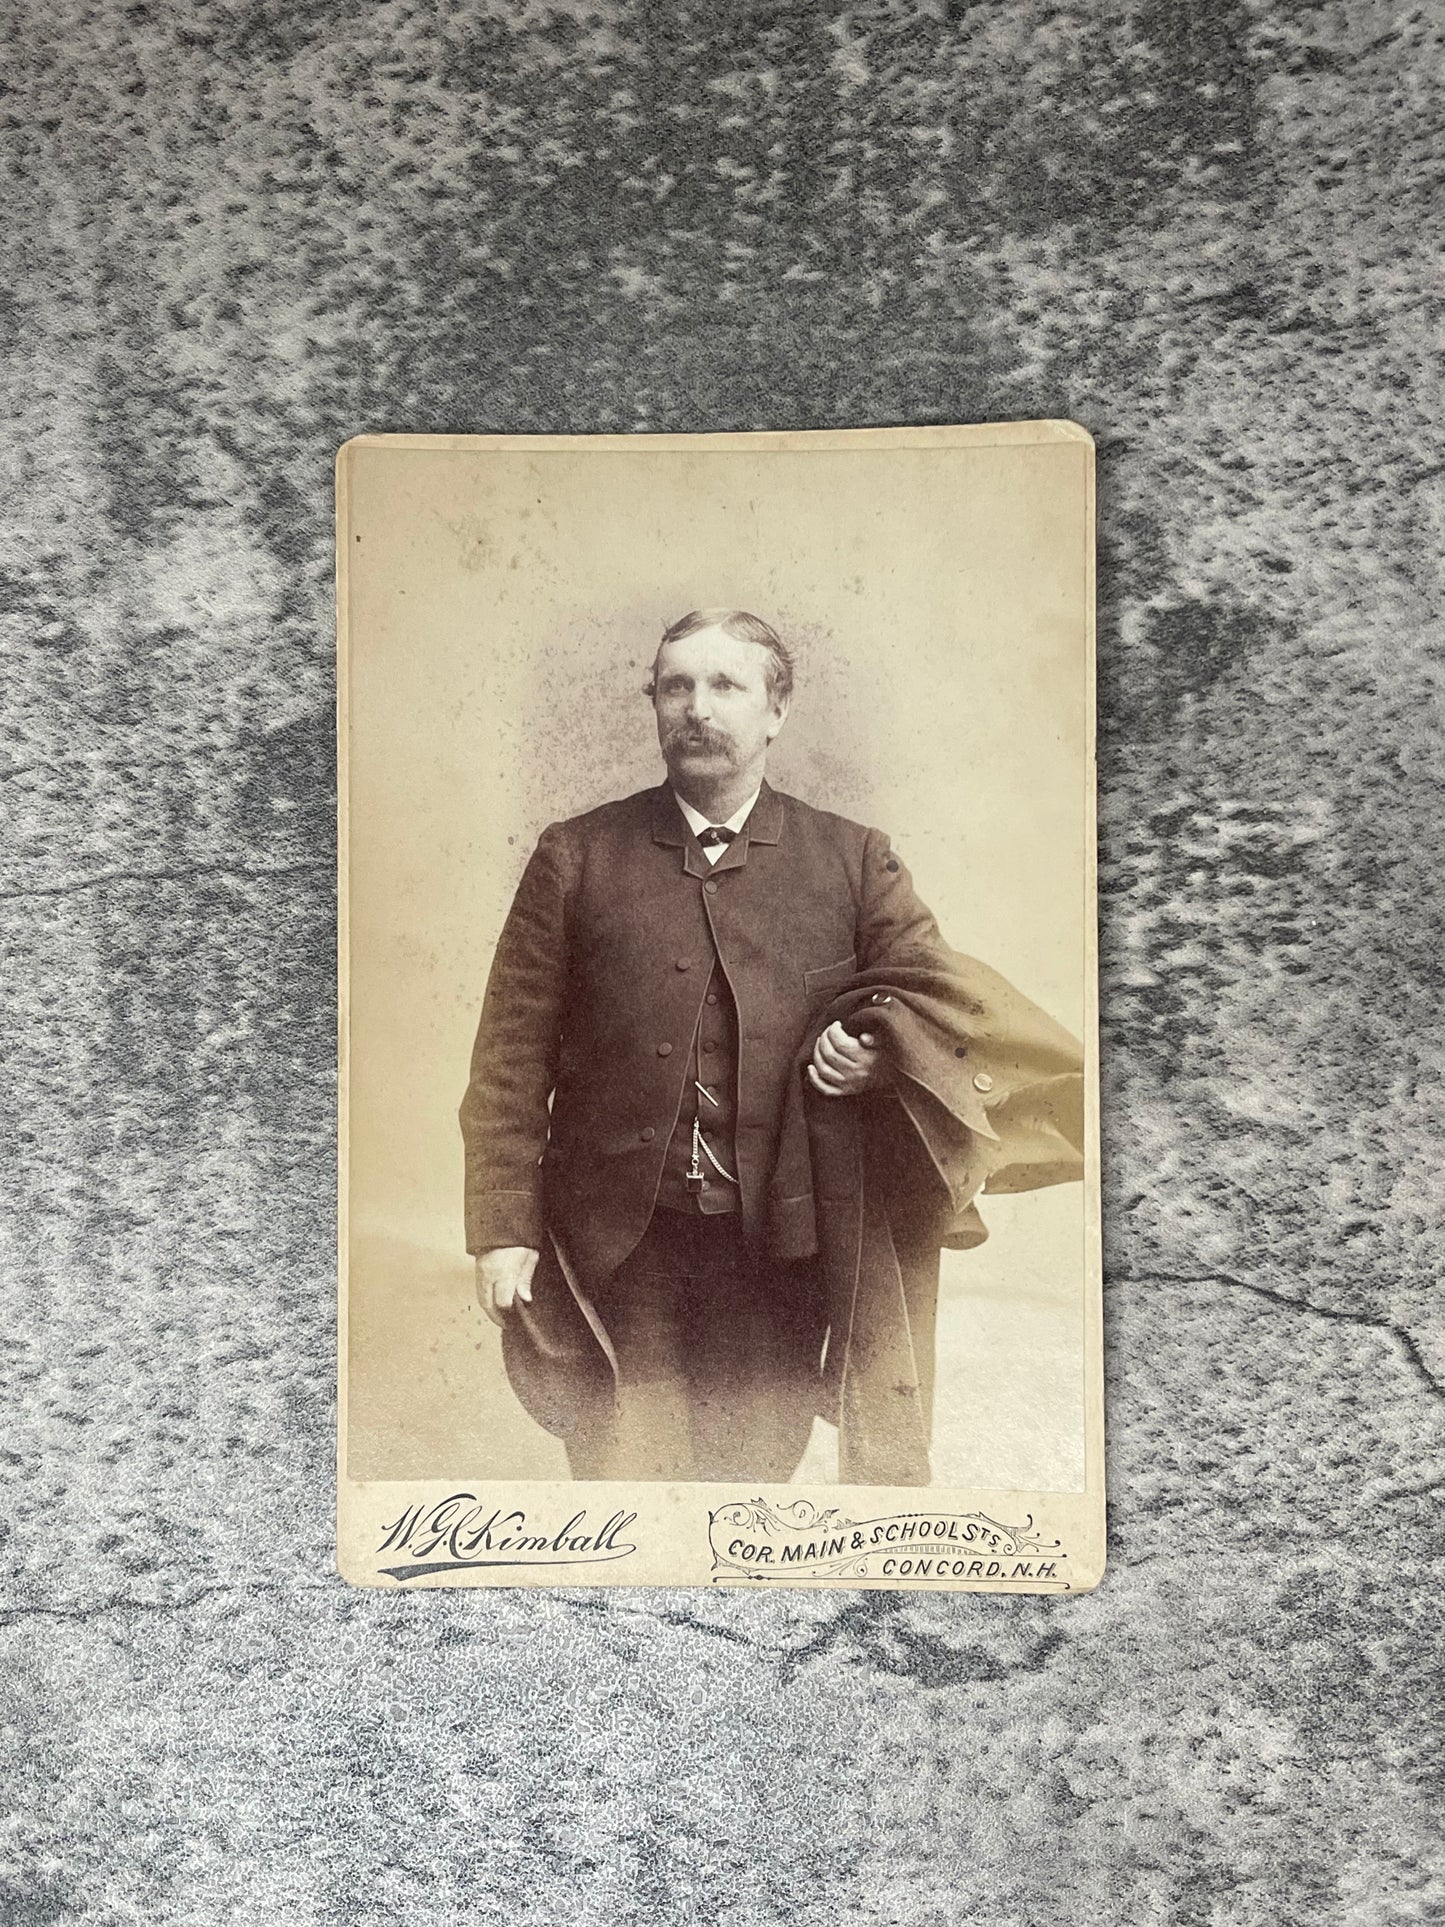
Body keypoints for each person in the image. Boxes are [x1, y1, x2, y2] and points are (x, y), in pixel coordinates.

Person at [459, 608, 1084, 1485]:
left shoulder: (851, 859)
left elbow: (934, 1002)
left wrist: (879, 1052)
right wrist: (501, 1227)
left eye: (725, 685)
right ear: (653, 704)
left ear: (774, 712)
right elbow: (507, 1059)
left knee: (752, 1482)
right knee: (624, 1483)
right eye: (675, 685)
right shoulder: (578, 856)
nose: (697, 708)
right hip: (614, 1243)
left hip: (780, 1249)